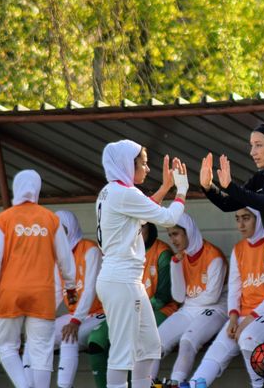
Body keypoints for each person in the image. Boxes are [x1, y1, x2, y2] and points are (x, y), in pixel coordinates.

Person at [199, 122, 264, 387]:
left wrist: (231, 186)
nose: (252, 152)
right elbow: (231, 202)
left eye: (259, 145)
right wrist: (209, 187)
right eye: (251, 146)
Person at [94, 140, 188, 388]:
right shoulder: (124, 193)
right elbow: (168, 219)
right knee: (123, 353)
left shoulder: (111, 191)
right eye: (143, 164)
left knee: (148, 347)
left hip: (121, 280)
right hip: (122, 281)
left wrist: (166, 187)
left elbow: (142, 209)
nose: (147, 169)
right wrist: (181, 191)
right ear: (127, 164)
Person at [0, 169, 77, 388]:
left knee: (5, 345)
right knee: (41, 349)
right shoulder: (50, 219)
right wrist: (70, 288)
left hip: (10, 292)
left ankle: (24, 386)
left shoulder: (3, 219)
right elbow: (65, 259)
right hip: (42, 294)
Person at [87, 222, 177, 388]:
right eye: (133, 228)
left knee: (136, 343)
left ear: (150, 228)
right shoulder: (123, 249)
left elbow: (163, 296)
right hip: (126, 307)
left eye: (141, 227)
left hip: (158, 309)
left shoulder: (162, 253)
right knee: (96, 340)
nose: (138, 232)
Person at [188, 207, 264, 387]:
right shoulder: (239, 249)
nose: (241, 224)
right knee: (216, 352)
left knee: (248, 340)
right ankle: (194, 384)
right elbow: (234, 288)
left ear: (258, 218)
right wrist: (233, 319)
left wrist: (247, 321)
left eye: (246, 218)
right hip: (241, 316)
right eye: (237, 219)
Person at [153, 213, 228, 383]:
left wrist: (189, 301)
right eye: (170, 235)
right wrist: (175, 266)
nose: (173, 240)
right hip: (189, 308)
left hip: (215, 309)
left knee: (188, 341)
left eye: (176, 234)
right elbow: (179, 297)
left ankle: (176, 383)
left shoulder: (214, 256)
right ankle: (147, 382)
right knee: (155, 343)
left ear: (189, 232)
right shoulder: (180, 258)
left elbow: (212, 297)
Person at [52, 210, 105, 388]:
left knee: (69, 336)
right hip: (77, 315)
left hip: (100, 313)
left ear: (71, 228)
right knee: (37, 337)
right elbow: (57, 291)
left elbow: (90, 290)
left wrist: (75, 321)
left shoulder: (90, 250)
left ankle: (64, 386)